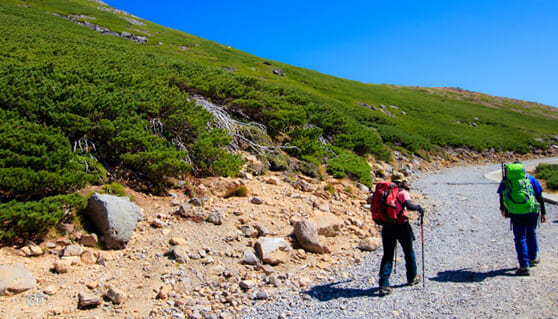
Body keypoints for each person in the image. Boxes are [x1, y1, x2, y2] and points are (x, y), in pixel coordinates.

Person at [378, 172, 424, 296]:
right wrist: (419, 208)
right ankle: (412, 277)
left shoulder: (385, 192)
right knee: (409, 251)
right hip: (402, 226)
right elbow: (409, 205)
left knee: (388, 254)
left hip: (387, 226)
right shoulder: (402, 192)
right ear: (403, 181)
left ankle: (384, 284)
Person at [498, 162, 547, 276]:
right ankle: (532, 258)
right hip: (531, 211)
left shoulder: (507, 181)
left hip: (515, 212)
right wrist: (543, 213)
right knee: (531, 233)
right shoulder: (531, 179)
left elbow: (502, 195)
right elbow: (539, 196)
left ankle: (524, 266)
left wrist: (503, 209)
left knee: (519, 237)